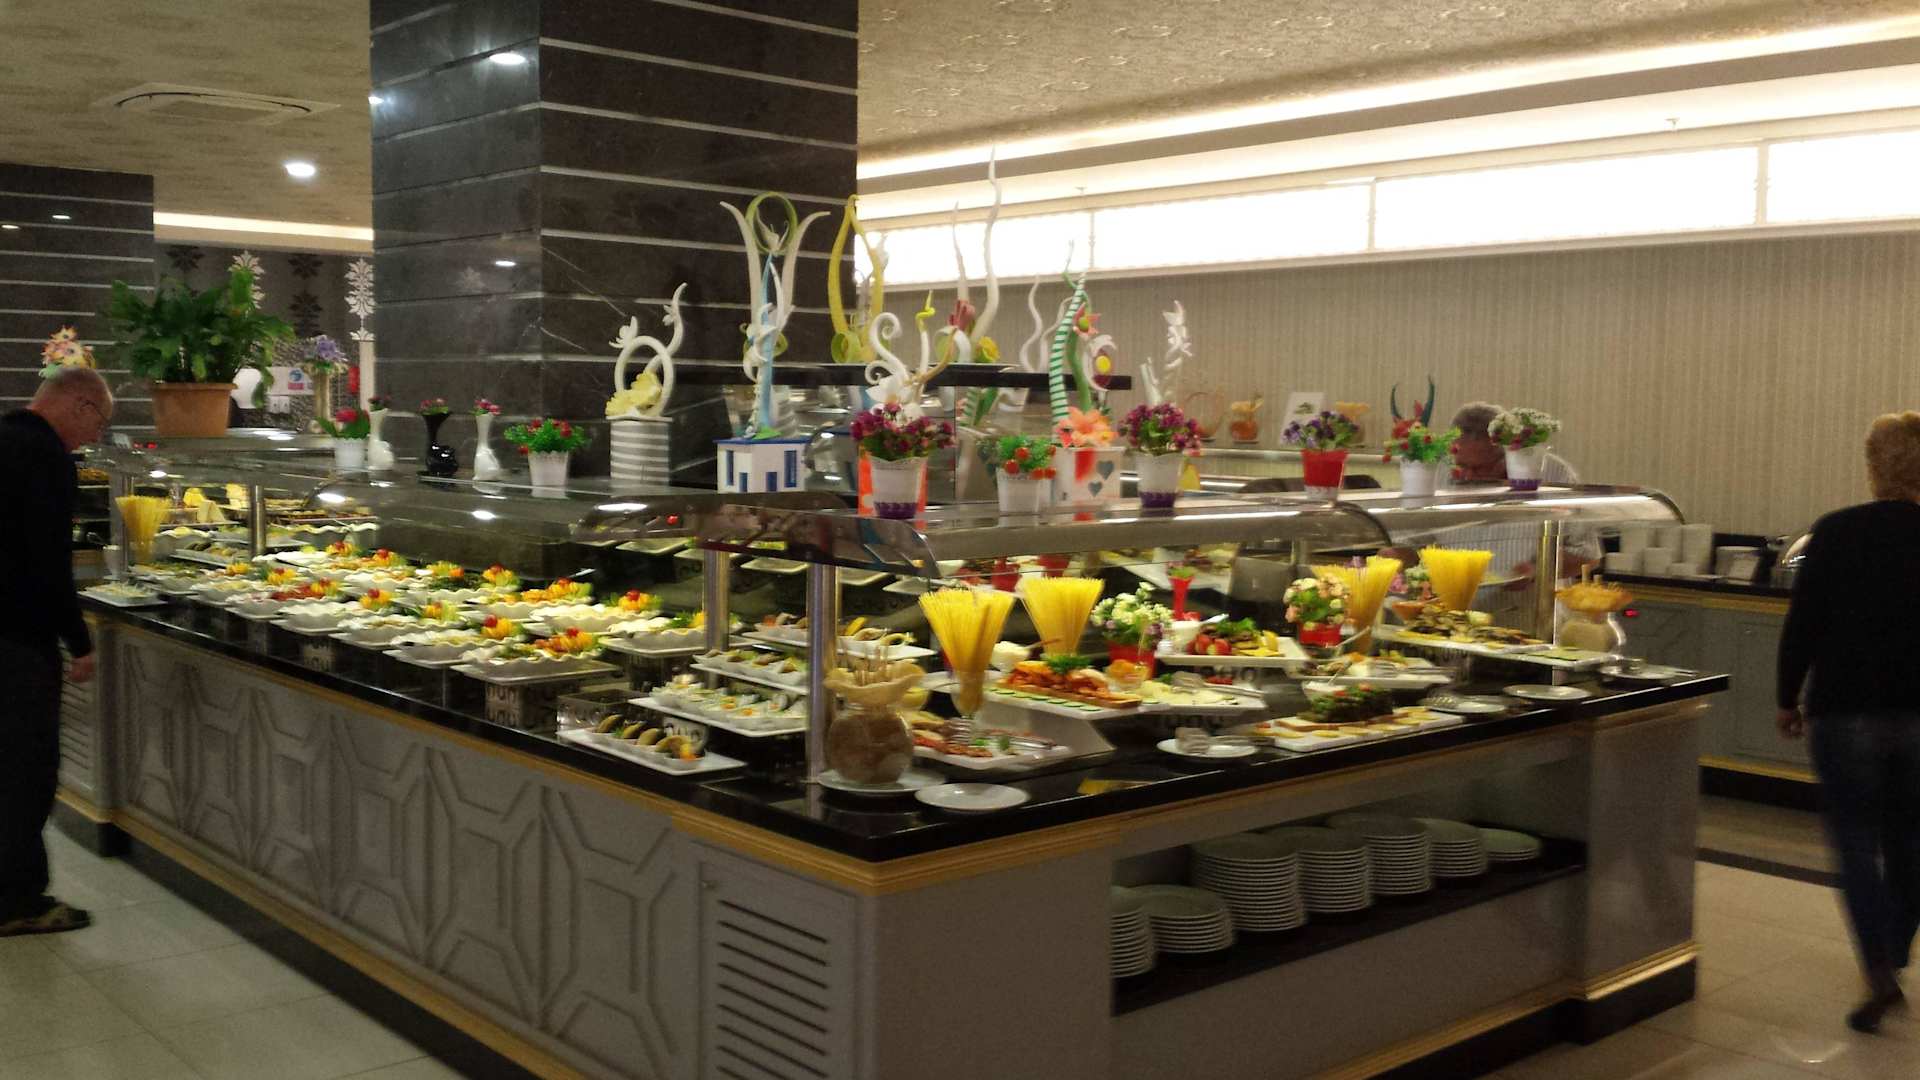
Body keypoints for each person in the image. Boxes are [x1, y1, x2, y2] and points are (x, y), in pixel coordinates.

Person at [1777, 411, 1920, 1033]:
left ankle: (1878, 967)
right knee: (1911, 837)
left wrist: (1787, 697)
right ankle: (1896, 942)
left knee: (1856, 841)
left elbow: (1804, 621)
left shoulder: (1836, 530)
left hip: (1845, 706)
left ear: (1873, 466)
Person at [0, 367, 112, 937]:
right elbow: (49, 561)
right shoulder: (46, 458)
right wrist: (80, 640)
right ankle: (18, 902)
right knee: (26, 770)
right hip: (17, 639)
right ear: (81, 405)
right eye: (99, 422)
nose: (95, 437)